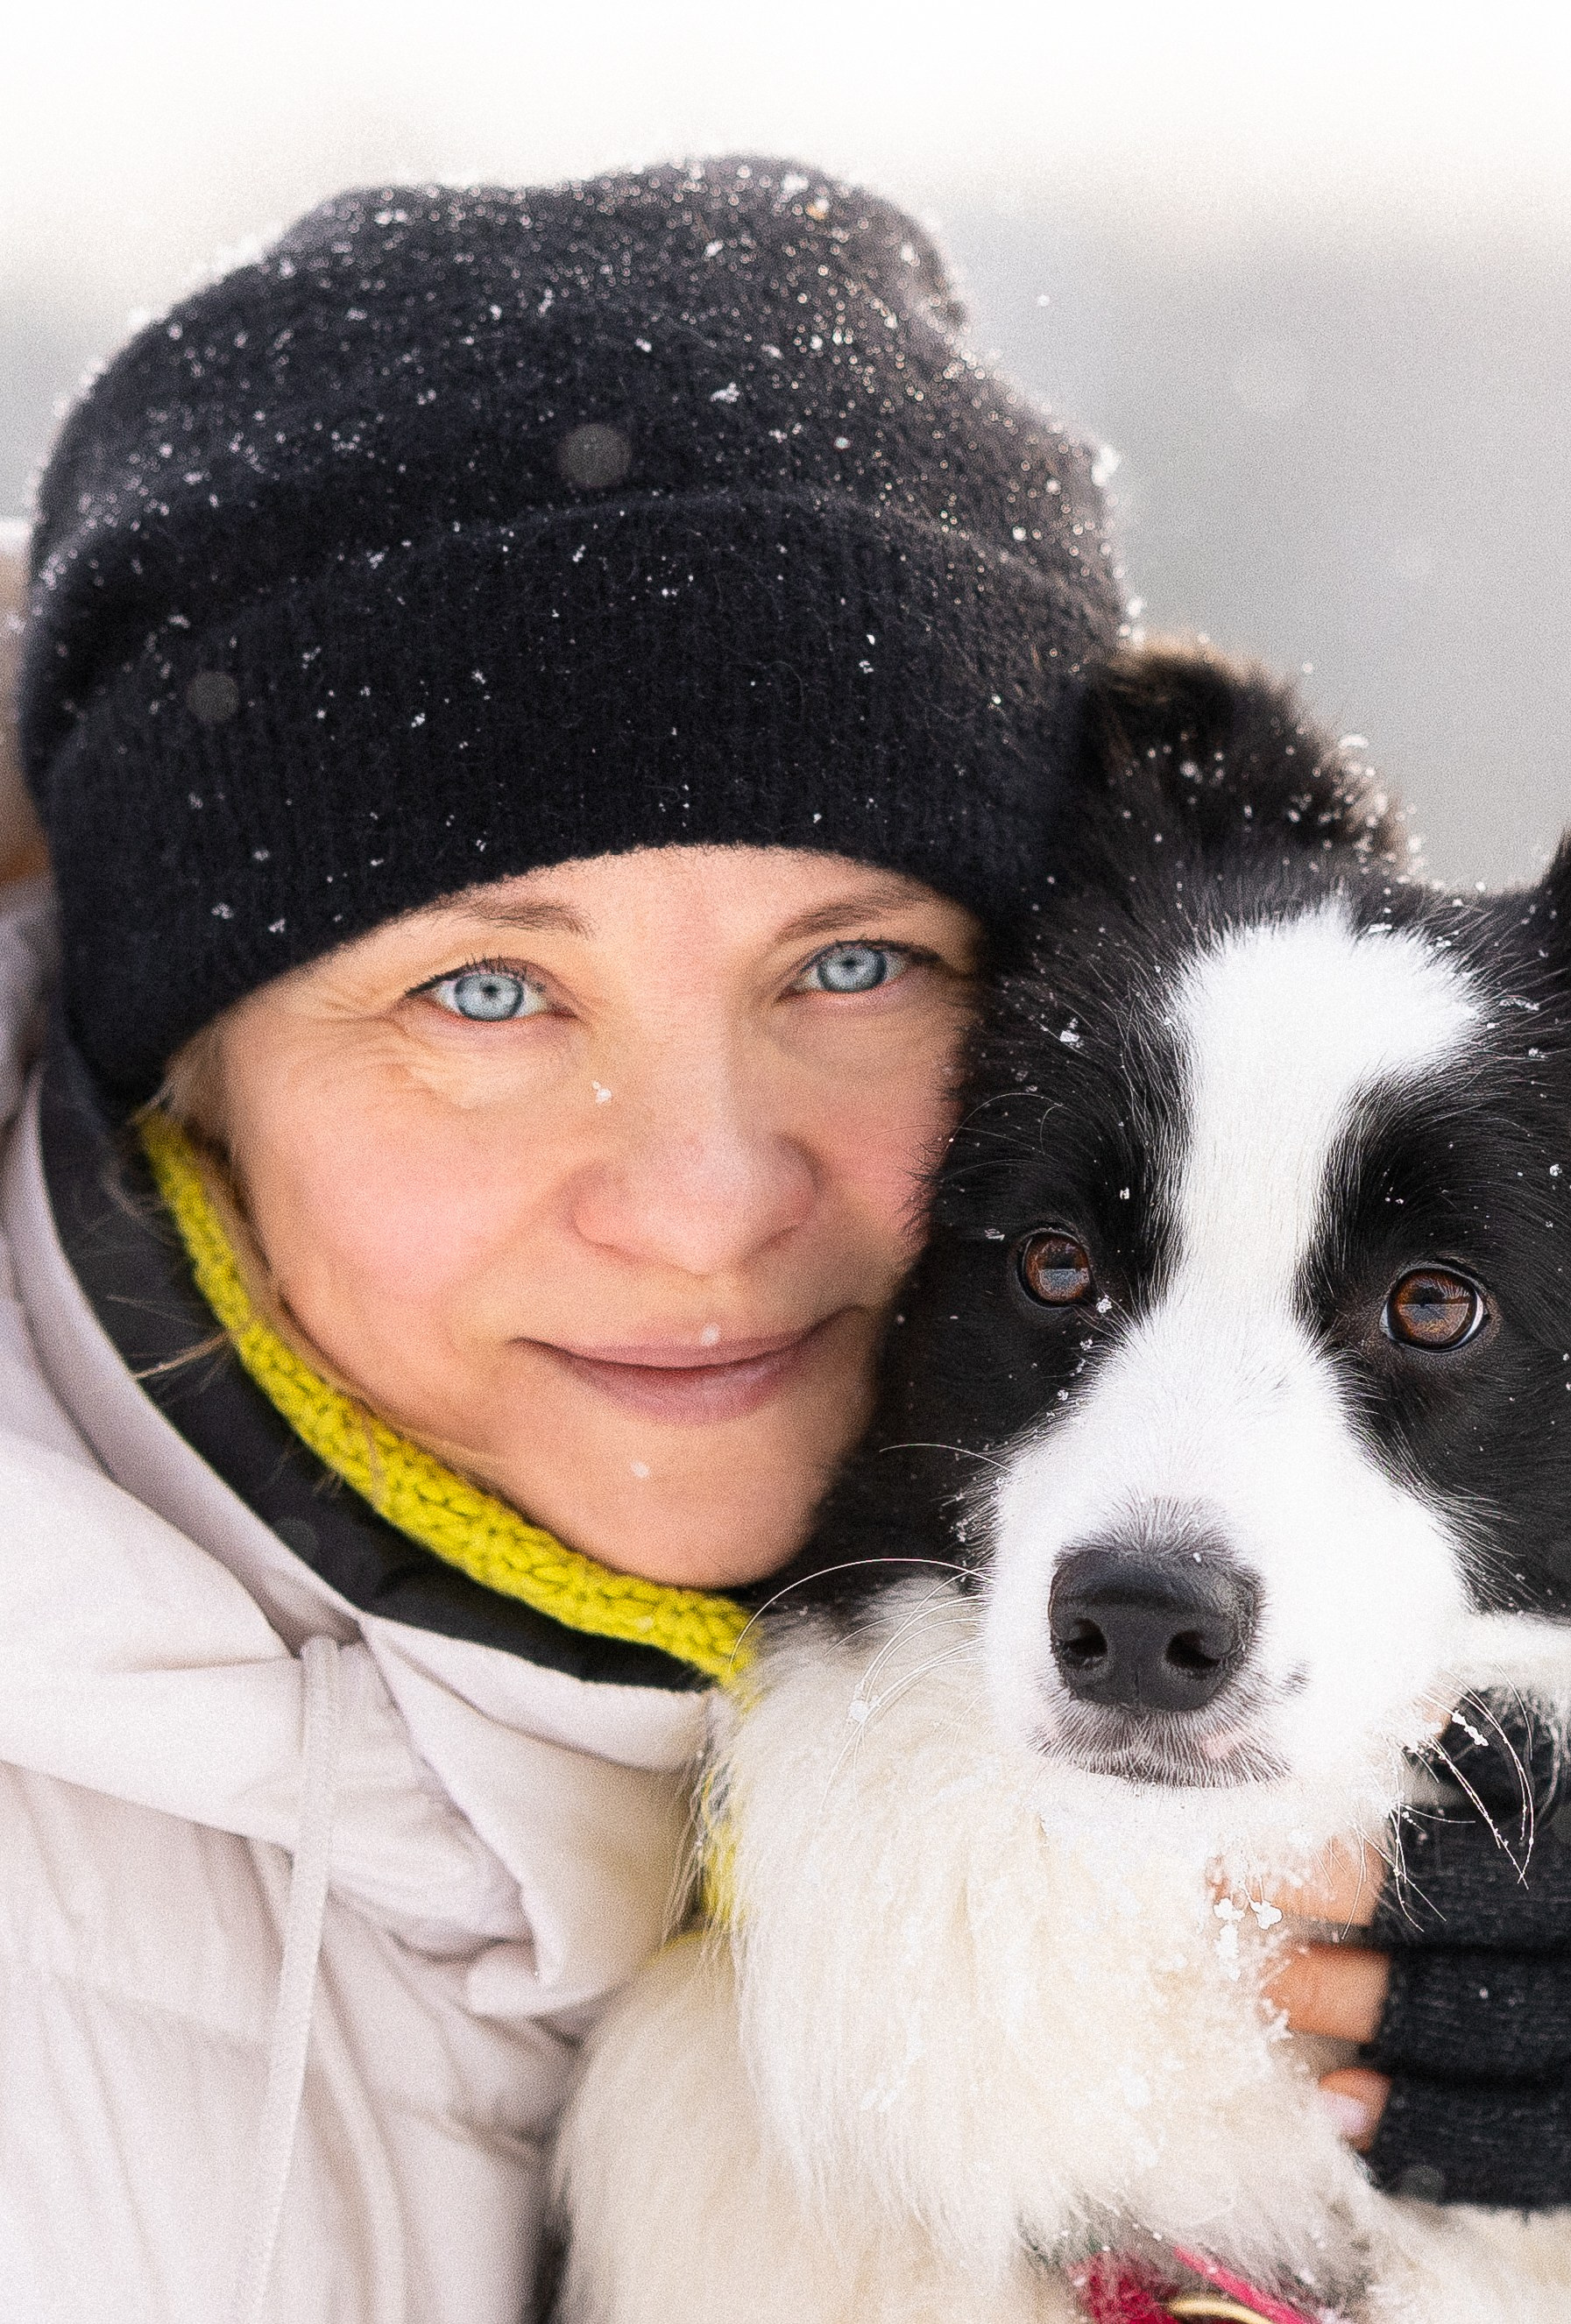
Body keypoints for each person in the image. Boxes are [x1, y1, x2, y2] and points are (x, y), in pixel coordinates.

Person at [0, 158, 1120, 2321]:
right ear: (186, 1083)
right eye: (486, 995)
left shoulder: (1333, 1716)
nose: (706, 1190)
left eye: (859, 966)